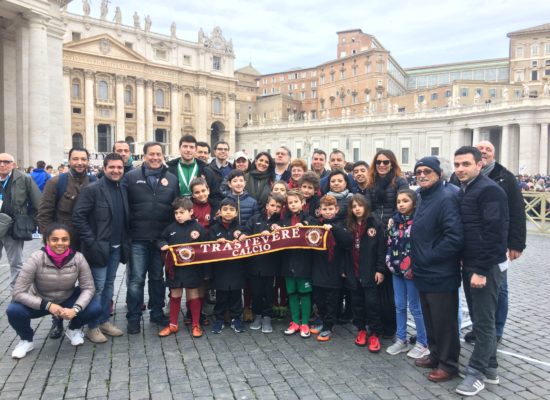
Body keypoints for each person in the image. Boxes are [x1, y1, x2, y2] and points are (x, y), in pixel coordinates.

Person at [453, 146, 508, 396]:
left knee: (484, 322)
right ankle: (492, 368)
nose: (460, 169)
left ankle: (476, 373)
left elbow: (495, 234)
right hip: (471, 264)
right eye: (457, 165)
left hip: (483, 266)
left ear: (479, 164)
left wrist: (482, 270)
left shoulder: (489, 190)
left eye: (465, 164)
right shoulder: (467, 189)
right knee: (479, 318)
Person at [460, 140, 526, 344]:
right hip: (471, 246)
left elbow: (517, 211)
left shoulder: (505, 177)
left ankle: (495, 330)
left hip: (497, 245)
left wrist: (516, 243)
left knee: (500, 287)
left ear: (492, 155)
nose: (484, 151)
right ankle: (481, 328)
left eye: (488, 149)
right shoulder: (460, 177)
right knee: (475, 291)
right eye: (481, 149)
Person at [6, 224, 101, 358]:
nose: (60, 243)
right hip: (40, 300)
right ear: (47, 241)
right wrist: (47, 305)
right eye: (55, 239)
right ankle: (26, 340)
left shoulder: (78, 258)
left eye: (64, 239)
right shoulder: (36, 258)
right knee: (14, 310)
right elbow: (18, 292)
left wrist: (76, 309)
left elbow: (88, 288)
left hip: (67, 297)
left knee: (95, 307)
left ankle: (73, 329)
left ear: (70, 241)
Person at [411, 156, 463, 382]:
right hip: (424, 269)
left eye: (427, 171)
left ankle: (449, 365)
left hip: (440, 271)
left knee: (444, 322)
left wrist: (430, 256)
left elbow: (454, 237)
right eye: (418, 171)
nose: (422, 175)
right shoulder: (423, 195)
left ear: (438, 174)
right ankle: (435, 354)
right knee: (430, 318)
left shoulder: (447, 197)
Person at [38, 148, 95, 339]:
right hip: (62, 242)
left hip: (86, 239)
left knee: (88, 280)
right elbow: (44, 213)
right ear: (69, 160)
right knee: (60, 283)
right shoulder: (56, 182)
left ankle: (80, 318)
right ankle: (57, 320)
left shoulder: (94, 181)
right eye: (76, 159)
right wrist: (50, 241)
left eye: (83, 159)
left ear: (88, 161)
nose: (80, 162)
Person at [72, 153, 129, 343]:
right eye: (112, 167)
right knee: (96, 288)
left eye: (119, 167)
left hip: (116, 247)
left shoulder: (122, 188)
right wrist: (92, 242)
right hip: (98, 248)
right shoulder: (92, 189)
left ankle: (104, 319)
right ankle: (92, 326)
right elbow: (78, 217)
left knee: (109, 285)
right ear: (104, 168)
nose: (116, 170)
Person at [125, 142, 179, 334]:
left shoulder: (171, 179)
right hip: (137, 238)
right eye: (151, 154)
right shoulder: (131, 177)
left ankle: (157, 312)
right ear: (144, 156)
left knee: (157, 278)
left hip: (160, 240)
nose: (155, 158)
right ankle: (133, 316)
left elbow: (176, 208)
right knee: (136, 279)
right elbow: (125, 207)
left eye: (159, 154)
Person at [364, 149, 408, 338]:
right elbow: (367, 207)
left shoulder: (399, 181)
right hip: (375, 233)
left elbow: (406, 203)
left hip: (394, 234)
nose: (382, 165)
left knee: (390, 282)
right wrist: (373, 222)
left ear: (392, 164)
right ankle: (376, 321)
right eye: (379, 161)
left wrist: (394, 220)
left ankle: (391, 324)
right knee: (377, 278)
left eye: (386, 162)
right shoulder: (371, 183)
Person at [385, 189, 429, 359]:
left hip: (412, 271)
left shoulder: (418, 222)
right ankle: (401, 339)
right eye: (399, 201)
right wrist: (389, 261)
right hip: (396, 269)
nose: (401, 204)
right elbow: (390, 243)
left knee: (415, 307)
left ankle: (423, 342)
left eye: (405, 201)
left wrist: (414, 266)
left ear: (414, 203)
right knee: (399, 305)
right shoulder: (394, 222)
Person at [158, 197, 207, 338]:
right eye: (176, 213)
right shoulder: (170, 228)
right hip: (175, 270)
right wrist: (162, 245)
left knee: (193, 294)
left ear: (191, 212)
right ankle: (173, 325)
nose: (178, 215)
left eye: (181, 212)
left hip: (192, 269)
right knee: (175, 294)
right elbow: (161, 239)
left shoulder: (198, 229)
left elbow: (206, 247)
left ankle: (196, 324)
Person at [344, 194, 385, 352]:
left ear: (366, 206)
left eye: (360, 206)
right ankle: (361, 329)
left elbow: (381, 249)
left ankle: (374, 333)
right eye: (354, 207)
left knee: (372, 304)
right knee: (357, 303)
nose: (357, 209)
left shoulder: (375, 224)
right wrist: (344, 270)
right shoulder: (349, 225)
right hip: (353, 271)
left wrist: (380, 270)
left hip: (369, 271)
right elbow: (345, 250)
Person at [240, 193, 285, 334]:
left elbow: (287, 237)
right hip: (254, 263)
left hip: (271, 265)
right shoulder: (255, 219)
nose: (275, 208)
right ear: (266, 205)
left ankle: (267, 316)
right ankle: (257, 315)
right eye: (272, 205)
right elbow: (245, 231)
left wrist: (279, 231)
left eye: (278, 206)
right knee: (256, 292)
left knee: (269, 292)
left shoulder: (282, 222)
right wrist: (242, 235)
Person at [276, 189, 317, 338]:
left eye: (295, 202)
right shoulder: (284, 221)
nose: (293, 205)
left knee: (304, 293)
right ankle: (295, 322)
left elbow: (315, 230)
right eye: (290, 202)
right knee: (291, 293)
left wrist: (304, 225)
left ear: (303, 203)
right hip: (287, 263)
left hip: (304, 263)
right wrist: (276, 229)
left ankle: (305, 322)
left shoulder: (310, 219)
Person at [310, 195, 351, 342]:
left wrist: (334, 228)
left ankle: (328, 326)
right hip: (318, 266)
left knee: (331, 300)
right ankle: (322, 320)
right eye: (324, 209)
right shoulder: (316, 223)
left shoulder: (342, 223)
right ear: (319, 210)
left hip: (334, 266)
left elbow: (347, 241)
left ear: (336, 209)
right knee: (318, 297)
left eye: (330, 209)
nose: (327, 212)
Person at [0, 152, 42, 288]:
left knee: (16, 263)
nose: (2, 165)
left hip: (14, 227)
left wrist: (30, 222)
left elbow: (38, 203)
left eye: (6, 162)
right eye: (0, 162)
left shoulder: (24, 179)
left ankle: (17, 294)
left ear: (13, 164)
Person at [207, 198, 247, 334]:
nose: (228, 212)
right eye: (225, 209)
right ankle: (219, 318)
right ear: (219, 212)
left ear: (236, 213)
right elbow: (207, 246)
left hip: (237, 268)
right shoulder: (213, 228)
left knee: (236, 294)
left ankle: (237, 318)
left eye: (231, 210)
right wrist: (215, 242)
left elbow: (248, 238)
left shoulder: (240, 228)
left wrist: (243, 236)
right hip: (220, 269)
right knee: (221, 295)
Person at [166, 135, 220, 200]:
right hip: (176, 209)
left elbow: (216, 195)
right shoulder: (168, 170)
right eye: (185, 146)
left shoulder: (206, 170)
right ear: (179, 149)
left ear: (195, 150)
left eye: (191, 147)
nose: (188, 150)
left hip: (200, 209)